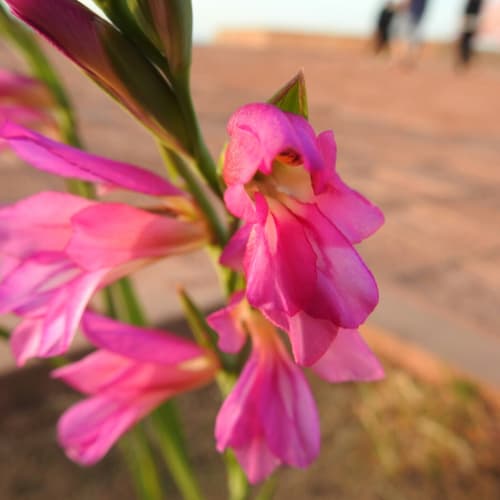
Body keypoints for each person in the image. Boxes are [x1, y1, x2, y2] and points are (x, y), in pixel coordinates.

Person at [457, 0, 484, 66]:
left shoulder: (478, 3)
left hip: (473, 19)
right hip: (470, 19)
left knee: (468, 40)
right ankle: (464, 59)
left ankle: (465, 59)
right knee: (466, 39)